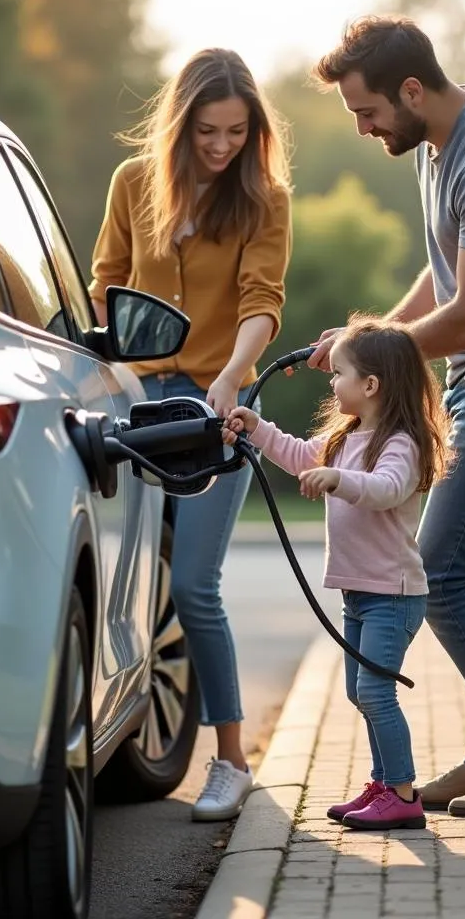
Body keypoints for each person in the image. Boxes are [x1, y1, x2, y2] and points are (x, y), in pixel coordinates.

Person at [308, 16, 465, 817]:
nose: (363, 128)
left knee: (443, 571)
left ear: (412, 90)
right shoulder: (440, 146)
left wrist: (377, 360)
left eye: (368, 111)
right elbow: (448, 268)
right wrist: (372, 335)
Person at [88, 48, 292, 822]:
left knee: (195, 584)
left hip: (215, 407)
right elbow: (107, 281)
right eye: (208, 130)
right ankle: (121, 732)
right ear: (182, 123)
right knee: (130, 579)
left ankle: (231, 762)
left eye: (237, 132)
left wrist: (234, 373)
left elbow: (261, 296)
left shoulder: (265, 197)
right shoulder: (133, 183)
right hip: (135, 405)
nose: (221, 146)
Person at [223, 317, 452, 831]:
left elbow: (387, 488)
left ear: (371, 385)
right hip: (361, 594)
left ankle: (403, 793)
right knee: (358, 690)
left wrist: (338, 478)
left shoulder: (401, 444)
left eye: (340, 372)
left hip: (393, 596)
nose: (332, 381)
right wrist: (258, 430)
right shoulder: (345, 436)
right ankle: (384, 783)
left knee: (374, 692)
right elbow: (300, 456)